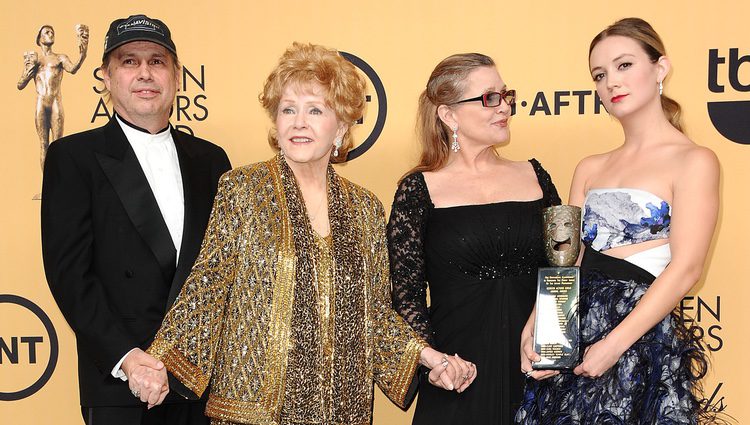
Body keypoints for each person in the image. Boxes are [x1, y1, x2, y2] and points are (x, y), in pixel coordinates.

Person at [139, 42, 476, 425]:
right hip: (254, 411)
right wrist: (158, 362)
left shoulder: (364, 207)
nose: (299, 122)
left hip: (342, 409)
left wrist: (428, 357)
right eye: (288, 110)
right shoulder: (243, 189)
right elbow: (209, 285)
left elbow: (376, 316)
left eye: (315, 110)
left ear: (342, 127)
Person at [516, 17, 720, 424]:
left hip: (638, 336)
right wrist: (537, 326)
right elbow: (567, 261)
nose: (611, 82)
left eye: (624, 65)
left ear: (660, 69)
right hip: (575, 329)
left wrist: (615, 344)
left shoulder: (694, 160)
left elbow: (686, 269)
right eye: (599, 74)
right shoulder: (589, 167)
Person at [41, 14, 231, 425]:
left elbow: (224, 273)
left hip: (199, 385)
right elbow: (69, 275)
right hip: (119, 385)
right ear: (106, 77)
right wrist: (127, 358)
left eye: (157, 61)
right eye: (129, 61)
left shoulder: (212, 161)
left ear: (177, 76)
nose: (145, 73)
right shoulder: (73, 158)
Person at [388, 53, 561, 424]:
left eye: (506, 95)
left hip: (537, 371)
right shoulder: (418, 190)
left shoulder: (534, 175)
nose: (505, 108)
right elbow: (406, 296)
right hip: (459, 377)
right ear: (449, 115)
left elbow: (563, 269)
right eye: (489, 98)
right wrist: (433, 362)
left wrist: (556, 348)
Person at [17, 23, 88, 171]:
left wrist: (83, 54)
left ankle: (58, 185)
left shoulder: (60, 58)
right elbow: (20, 84)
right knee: (44, 145)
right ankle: (46, 187)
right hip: (41, 103)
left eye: (52, 32)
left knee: (58, 145)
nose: (51, 34)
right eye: (47, 32)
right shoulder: (35, 60)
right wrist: (27, 72)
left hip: (55, 102)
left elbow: (73, 69)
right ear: (39, 38)